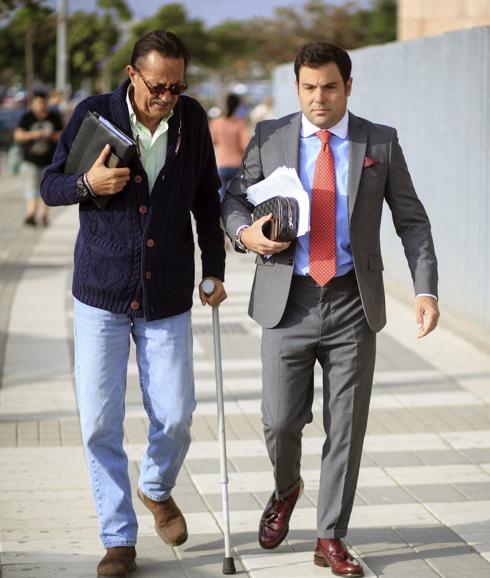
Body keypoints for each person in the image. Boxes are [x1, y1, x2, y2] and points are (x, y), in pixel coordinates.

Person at [222, 41, 439, 577]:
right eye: (309, 88)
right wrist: (246, 234)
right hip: (287, 299)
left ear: (348, 86)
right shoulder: (270, 136)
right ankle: (286, 487)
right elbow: (234, 200)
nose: (319, 98)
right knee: (279, 421)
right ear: (297, 88)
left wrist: (426, 289)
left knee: (346, 426)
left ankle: (330, 536)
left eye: (330, 87)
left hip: (351, 301)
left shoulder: (378, 142)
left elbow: (411, 219)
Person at [40, 30, 226, 577]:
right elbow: (51, 185)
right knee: (100, 421)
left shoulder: (191, 120)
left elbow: (206, 198)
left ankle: (155, 486)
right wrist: (88, 184)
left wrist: (214, 269)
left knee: (176, 414)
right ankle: (118, 538)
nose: (167, 97)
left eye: (177, 87)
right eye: (157, 87)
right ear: (132, 74)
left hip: (167, 291)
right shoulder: (93, 113)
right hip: (100, 291)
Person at [14, 90, 63, 226]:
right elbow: (18, 136)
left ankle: (43, 215)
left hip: (49, 161)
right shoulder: (27, 117)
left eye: (43, 102)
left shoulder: (54, 117)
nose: (41, 105)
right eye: (38, 102)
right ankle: (30, 214)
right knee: (30, 188)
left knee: (45, 189)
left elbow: (63, 135)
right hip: (30, 161)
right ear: (33, 103)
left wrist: (50, 135)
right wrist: (34, 134)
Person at [209, 93, 249, 200]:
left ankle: (222, 211)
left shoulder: (216, 123)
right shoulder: (240, 123)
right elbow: (244, 145)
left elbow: (212, 141)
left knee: (221, 197)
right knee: (237, 198)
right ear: (237, 107)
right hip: (237, 165)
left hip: (221, 165)